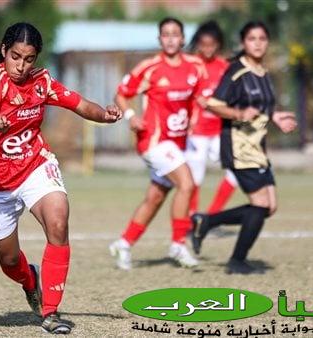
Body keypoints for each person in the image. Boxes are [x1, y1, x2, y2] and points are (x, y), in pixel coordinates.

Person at [0, 22, 121, 334]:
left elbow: (77, 102)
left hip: (35, 164)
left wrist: (103, 115)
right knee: (9, 260)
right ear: (4, 51)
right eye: (15, 57)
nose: (21, 66)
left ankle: (49, 312)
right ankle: (30, 280)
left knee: (58, 221)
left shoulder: (41, 80)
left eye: (28, 59)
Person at [191, 21, 297, 274]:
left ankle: (207, 221)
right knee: (260, 205)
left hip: (257, 148)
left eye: (262, 38)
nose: (258, 43)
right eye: (252, 39)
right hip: (238, 147)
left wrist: (276, 117)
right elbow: (213, 104)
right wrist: (238, 112)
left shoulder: (262, 71)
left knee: (269, 207)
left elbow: (262, 107)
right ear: (243, 43)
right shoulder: (236, 71)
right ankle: (237, 261)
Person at [109, 17, 202, 270]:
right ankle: (178, 244)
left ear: (183, 39)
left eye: (175, 34)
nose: (171, 38)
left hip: (177, 144)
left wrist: (195, 119)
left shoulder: (195, 67)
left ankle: (124, 244)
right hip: (154, 141)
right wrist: (130, 116)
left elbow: (198, 98)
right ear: (160, 39)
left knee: (156, 197)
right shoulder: (150, 68)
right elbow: (121, 93)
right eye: (166, 34)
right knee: (187, 183)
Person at [186, 20, 238, 216]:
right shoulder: (190, 65)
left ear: (218, 44)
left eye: (212, 45)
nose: (208, 49)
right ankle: (192, 219)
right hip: (196, 132)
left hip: (219, 131)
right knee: (194, 178)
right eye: (203, 44)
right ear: (198, 44)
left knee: (236, 172)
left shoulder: (225, 67)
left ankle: (212, 215)